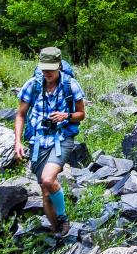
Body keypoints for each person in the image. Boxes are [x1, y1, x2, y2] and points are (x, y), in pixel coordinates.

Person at [14, 46, 86, 234]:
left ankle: (63, 217)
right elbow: (20, 114)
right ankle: (58, 233)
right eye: (44, 68)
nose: (46, 72)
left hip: (62, 139)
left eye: (50, 69)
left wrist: (65, 116)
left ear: (59, 66)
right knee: (46, 193)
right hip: (37, 142)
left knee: (48, 178)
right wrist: (18, 142)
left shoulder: (70, 85)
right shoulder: (33, 85)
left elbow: (81, 114)